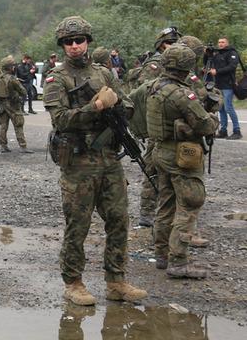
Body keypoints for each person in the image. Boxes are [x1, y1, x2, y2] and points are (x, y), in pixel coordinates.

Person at [43, 16, 147, 306]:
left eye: (79, 40)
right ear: (62, 46)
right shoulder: (56, 78)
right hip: (78, 163)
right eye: (68, 42)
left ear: (87, 40)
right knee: (78, 224)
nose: (75, 46)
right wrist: (94, 107)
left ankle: (116, 281)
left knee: (118, 220)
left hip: (109, 159)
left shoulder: (103, 72)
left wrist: (116, 106)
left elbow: (126, 104)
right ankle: (73, 283)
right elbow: (61, 119)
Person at [147, 44, 220, 279]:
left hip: (161, 152)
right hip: (181, 156)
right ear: (187, 67)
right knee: (189, 204)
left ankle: (162, 254)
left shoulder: (155, 86)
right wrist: (212, 118)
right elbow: (205, 125)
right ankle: (178, 261)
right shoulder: (181, 94)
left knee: (166, 203)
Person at [204, 36, 242, 140]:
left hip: (228, 84)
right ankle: (223, 131)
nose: (220, 44)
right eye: (219, 42)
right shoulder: (217, 54)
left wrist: (217, 71)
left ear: (227, 43)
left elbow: (232, 66)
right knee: (221, 109)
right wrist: (206, 54)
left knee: (228, 108)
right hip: (218, 85)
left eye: (223, 42)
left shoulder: (232, 53)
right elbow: (207, 63)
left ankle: (237, 131)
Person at [0, 56, 33, 153]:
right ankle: (23, 146)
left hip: (1, 105)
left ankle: (3, 146)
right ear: (11, 67)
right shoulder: (12, 79)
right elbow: (23, 91)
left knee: (3, 126)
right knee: (18, 125)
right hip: (13, 105)